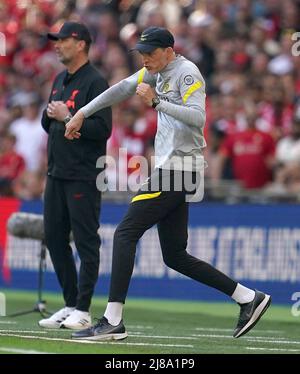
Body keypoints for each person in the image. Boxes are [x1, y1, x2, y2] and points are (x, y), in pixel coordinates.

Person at [65, 26, 271, 340]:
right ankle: (247, 297)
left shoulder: (187, 73)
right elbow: (122, 88)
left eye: (150, 52)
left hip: (178, 168)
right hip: (174, 168)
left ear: (168, 50)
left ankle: (112, 319)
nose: (144, 59)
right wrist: (83, 111)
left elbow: (199, 118)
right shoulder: (157, 71)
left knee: (125, 233)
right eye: (142, 53)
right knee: (174, 255)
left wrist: (156, 102)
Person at [38, 22, 112, 330]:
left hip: (83, 174)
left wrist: (67, 117)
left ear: (80, 44)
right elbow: (50, 125)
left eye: (63, 40)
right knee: (54, 238)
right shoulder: (59, 79)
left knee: (85, 241)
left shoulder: (95, 82)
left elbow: (102, 130)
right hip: (56, 173)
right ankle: (70, 303)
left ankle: (83, 308)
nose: (57, 45)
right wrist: (50, 115)